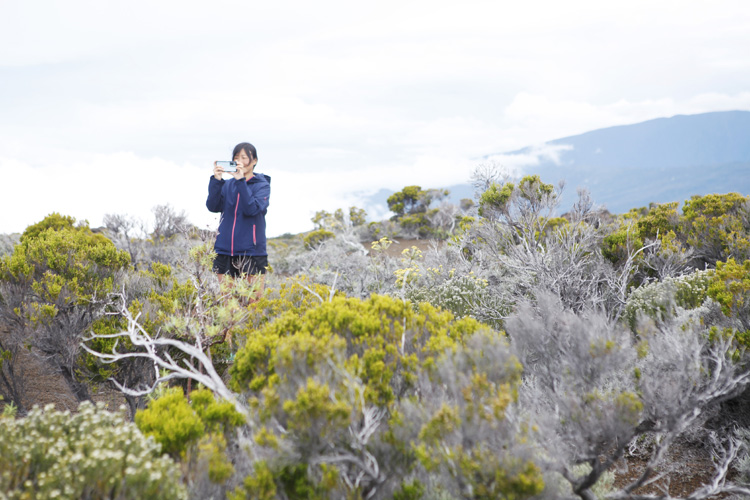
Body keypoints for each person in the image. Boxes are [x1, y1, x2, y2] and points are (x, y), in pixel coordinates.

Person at [206, 142, 271, 294]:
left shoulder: (262, 185)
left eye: (244, 157)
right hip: (224, 250)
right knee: (228, 303)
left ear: (254, 161)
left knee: (253, 303)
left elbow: (252, 209)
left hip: (252, 252)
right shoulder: (228, 185)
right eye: (236, 157)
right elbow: (213, 206)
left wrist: (241, 182)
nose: (240, 161)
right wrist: (216, 180)